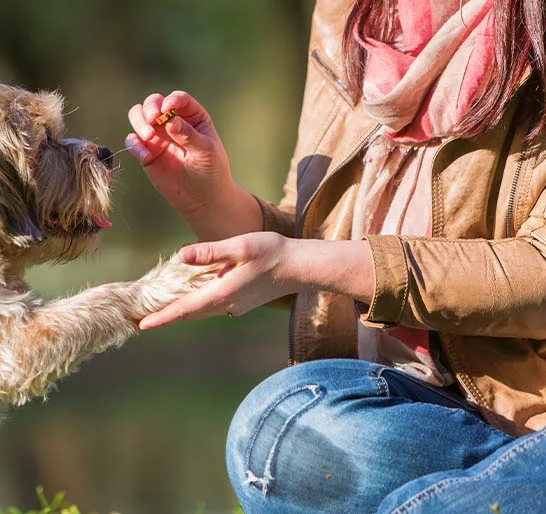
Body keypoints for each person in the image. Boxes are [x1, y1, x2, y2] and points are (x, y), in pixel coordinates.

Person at [126, 0, 546, 512]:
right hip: (412, 409)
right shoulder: (348, 14)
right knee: (275, 435)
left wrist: (297, 260)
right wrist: (213, 202)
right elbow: (322, 241)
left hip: (533, 420)